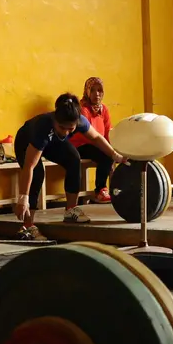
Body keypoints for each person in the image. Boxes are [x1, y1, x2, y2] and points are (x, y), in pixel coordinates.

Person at [13, 93, 126, 239]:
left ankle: (71, 210)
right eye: (62, 128)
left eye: (70, 129)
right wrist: (23, 198)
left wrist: (115, 155)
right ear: (55, 119)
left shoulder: (80, 121)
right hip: (26, 141)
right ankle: (27, 226)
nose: (66, 132)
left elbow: (96, 137)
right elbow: (29, 167)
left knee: (73, 158)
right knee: (38, 173)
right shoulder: (43, 126)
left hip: (52, 142)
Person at [70, 77, 114, 203]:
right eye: (93, 90)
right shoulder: (83, 108)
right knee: (106, 155)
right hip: (80, 145)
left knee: (111, 153)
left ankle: (113, 190)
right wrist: (106, 149)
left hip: (97, 145)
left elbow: (107, 131)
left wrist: (111, 147)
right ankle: (100, 190)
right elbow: (87, 134)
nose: (97, 94)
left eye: (99, 90)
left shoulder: (104, 109)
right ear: (87, 92)